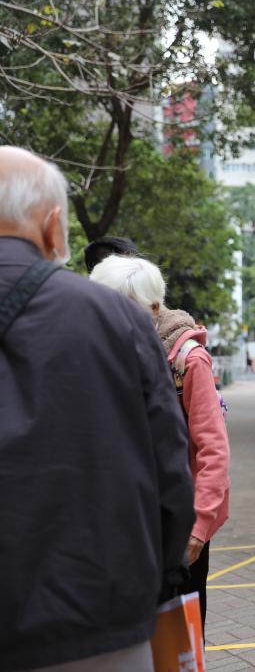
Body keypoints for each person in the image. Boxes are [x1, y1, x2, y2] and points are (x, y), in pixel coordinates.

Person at [0, 146, 195, 671]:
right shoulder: (116, 320)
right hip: (98, 620)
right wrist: (155, 579)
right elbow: (170, 475)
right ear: (53, 225)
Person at [90, 255, 231, 632]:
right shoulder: (108, 351)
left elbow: (213, 449)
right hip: (125, 522)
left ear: (153, 308)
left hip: (178, 525)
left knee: (178, 639)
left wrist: (198, 527)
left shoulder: (189, 361)